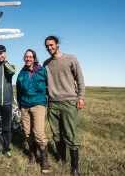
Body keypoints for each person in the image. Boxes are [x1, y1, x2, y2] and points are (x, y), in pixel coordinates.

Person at [43, 36, 85, 176]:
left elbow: (80, 79)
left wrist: (81, 97)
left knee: (71, 135)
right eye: (47, 46)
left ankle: (74, 168)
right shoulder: (46, 64)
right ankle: (62, 159)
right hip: (53, 103)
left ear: (57, 44)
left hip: (69, 102)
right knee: (57, 134)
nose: (49, 48)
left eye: (51, 45)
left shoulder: (71, 59)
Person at [16, 49, 50, 173]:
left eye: (30, 57)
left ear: (34, 58)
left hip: (38, 104)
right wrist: (20, 104)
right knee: (27, 133)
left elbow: (48, 86)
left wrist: (48, 101)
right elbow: (19, 90)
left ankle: (44, 160)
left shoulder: (41, 70)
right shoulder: (21, 73)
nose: (28, 59)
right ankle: (32, 155)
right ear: (24, 58)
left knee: (39, 133)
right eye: (26, 57)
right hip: (25, 105)